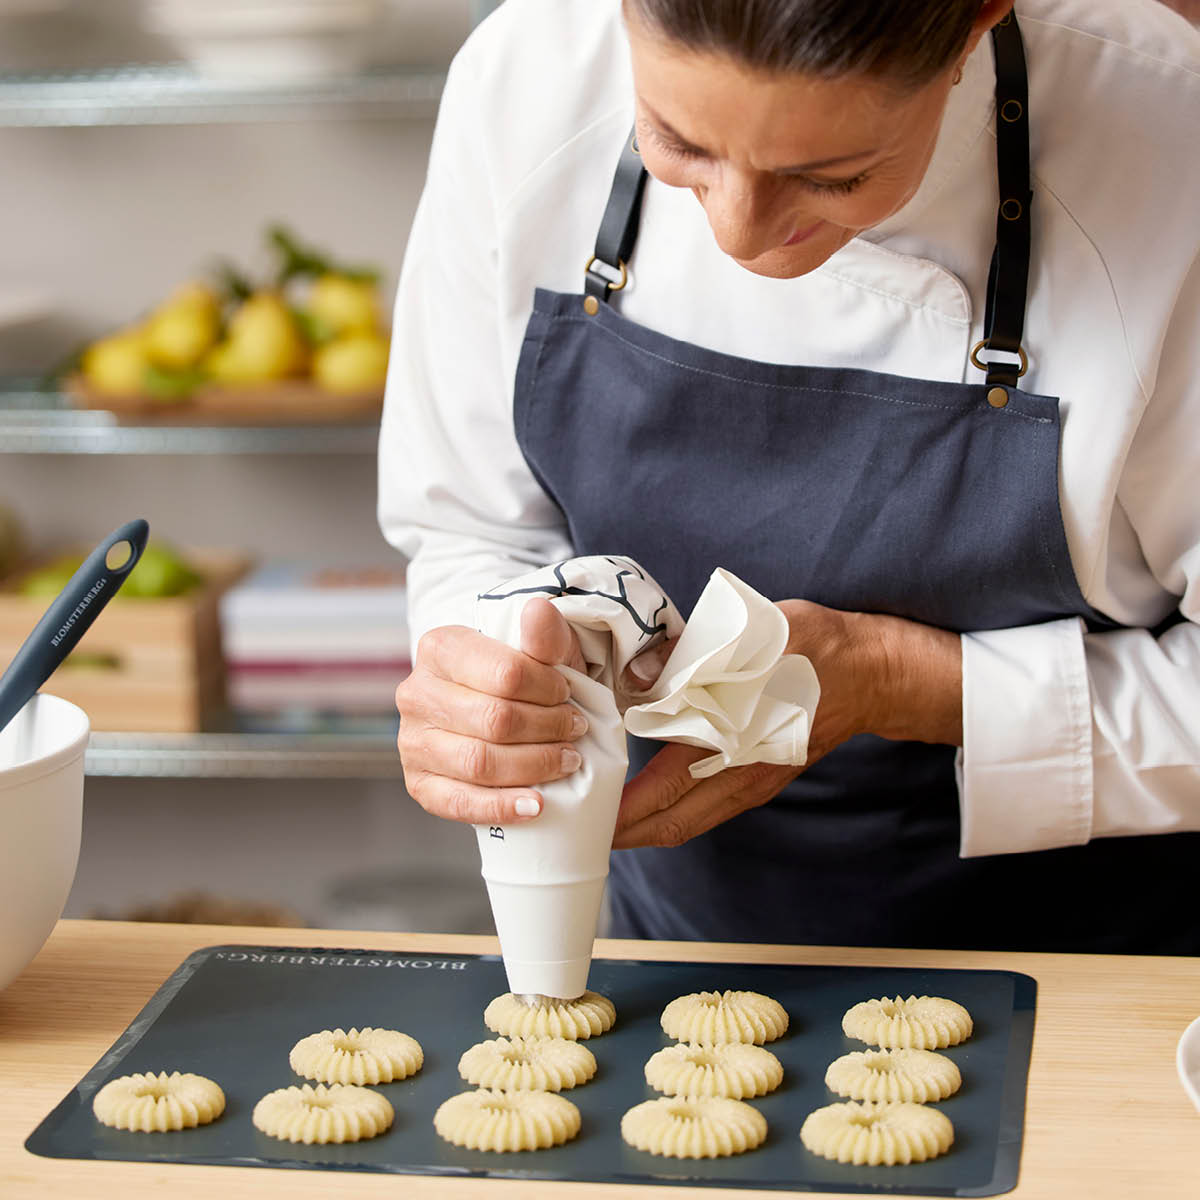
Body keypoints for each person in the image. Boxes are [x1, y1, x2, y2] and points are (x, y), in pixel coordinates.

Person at [379, 0, 1200, 954]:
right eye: (677, 144)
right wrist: (494, 669)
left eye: (831, 176)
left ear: (976, 23)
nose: (738, 234)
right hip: (676, 949)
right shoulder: (525, 78)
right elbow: (473, 530)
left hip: (1106, 968)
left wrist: (905, 681)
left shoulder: (1172, 145)